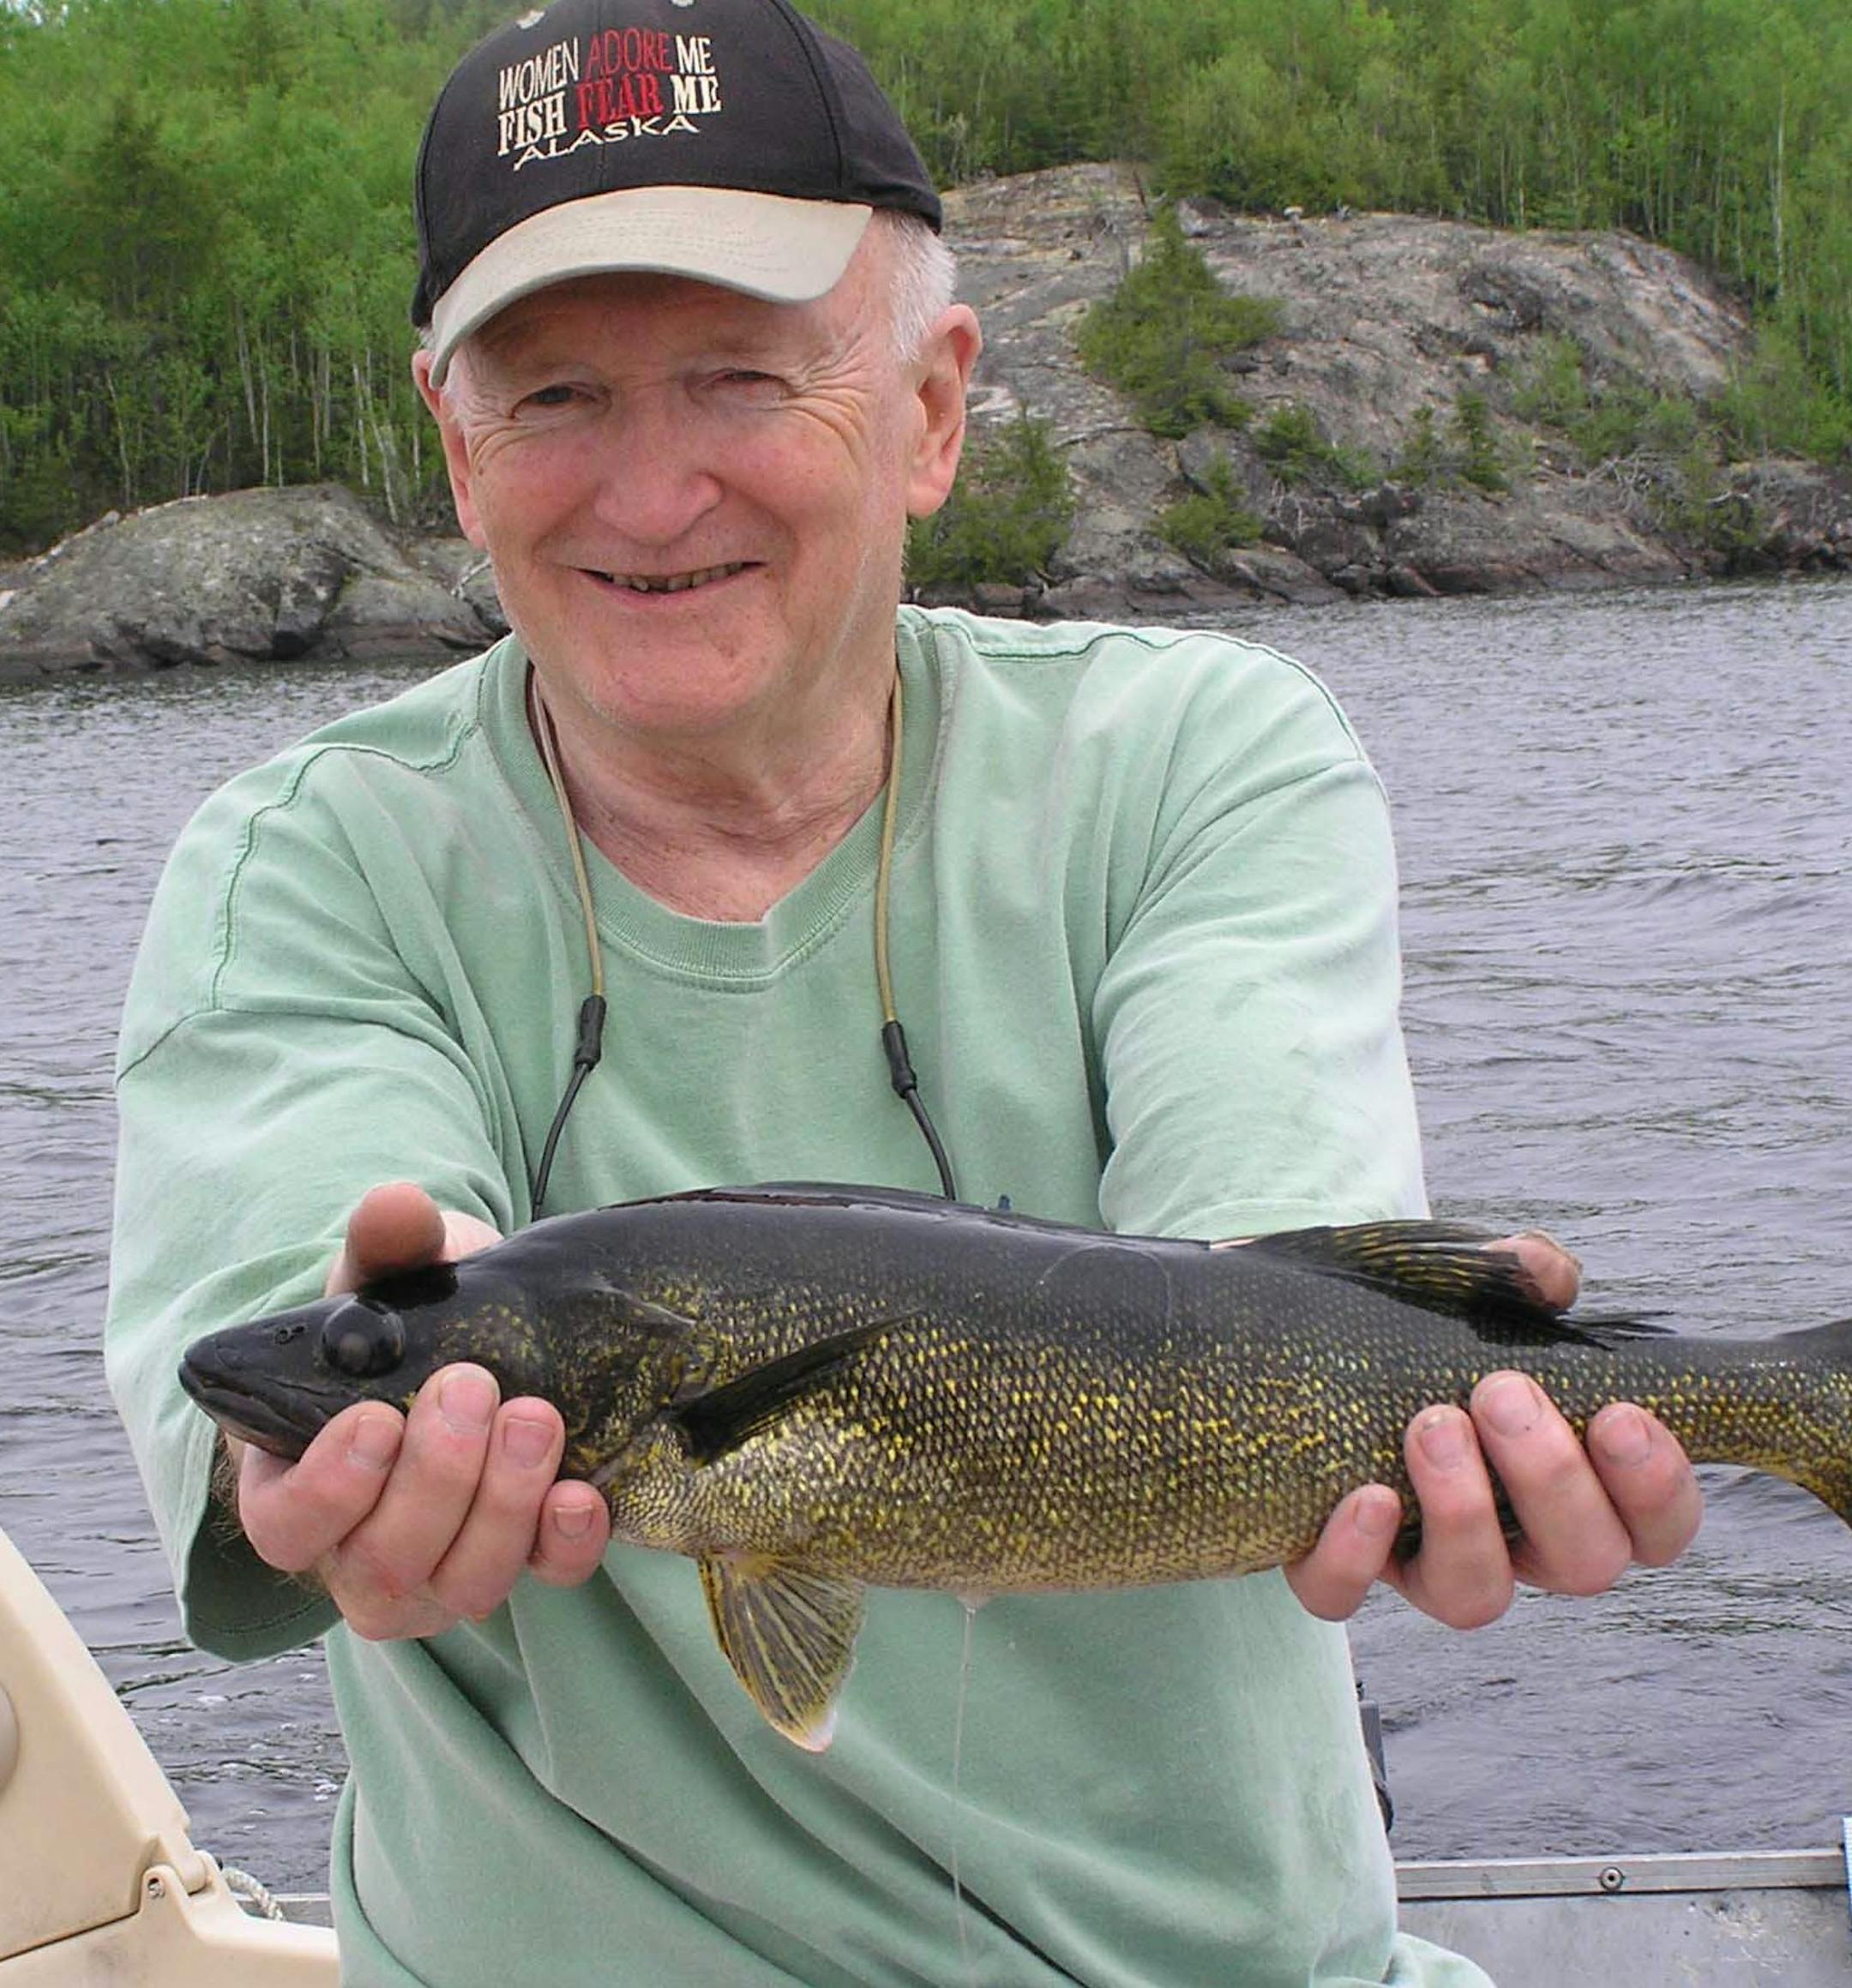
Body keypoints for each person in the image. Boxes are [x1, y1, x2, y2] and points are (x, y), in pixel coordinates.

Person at [105, 1, 1702, 1981]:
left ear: (937, 409)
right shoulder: (309, 865)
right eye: (556, 399)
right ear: (456, 449)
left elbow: (1262, 1264)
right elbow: (296, 1316)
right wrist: (316, 1459)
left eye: (739, 377)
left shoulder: (1200, 756)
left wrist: (1454, 1451)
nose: (654, 491)